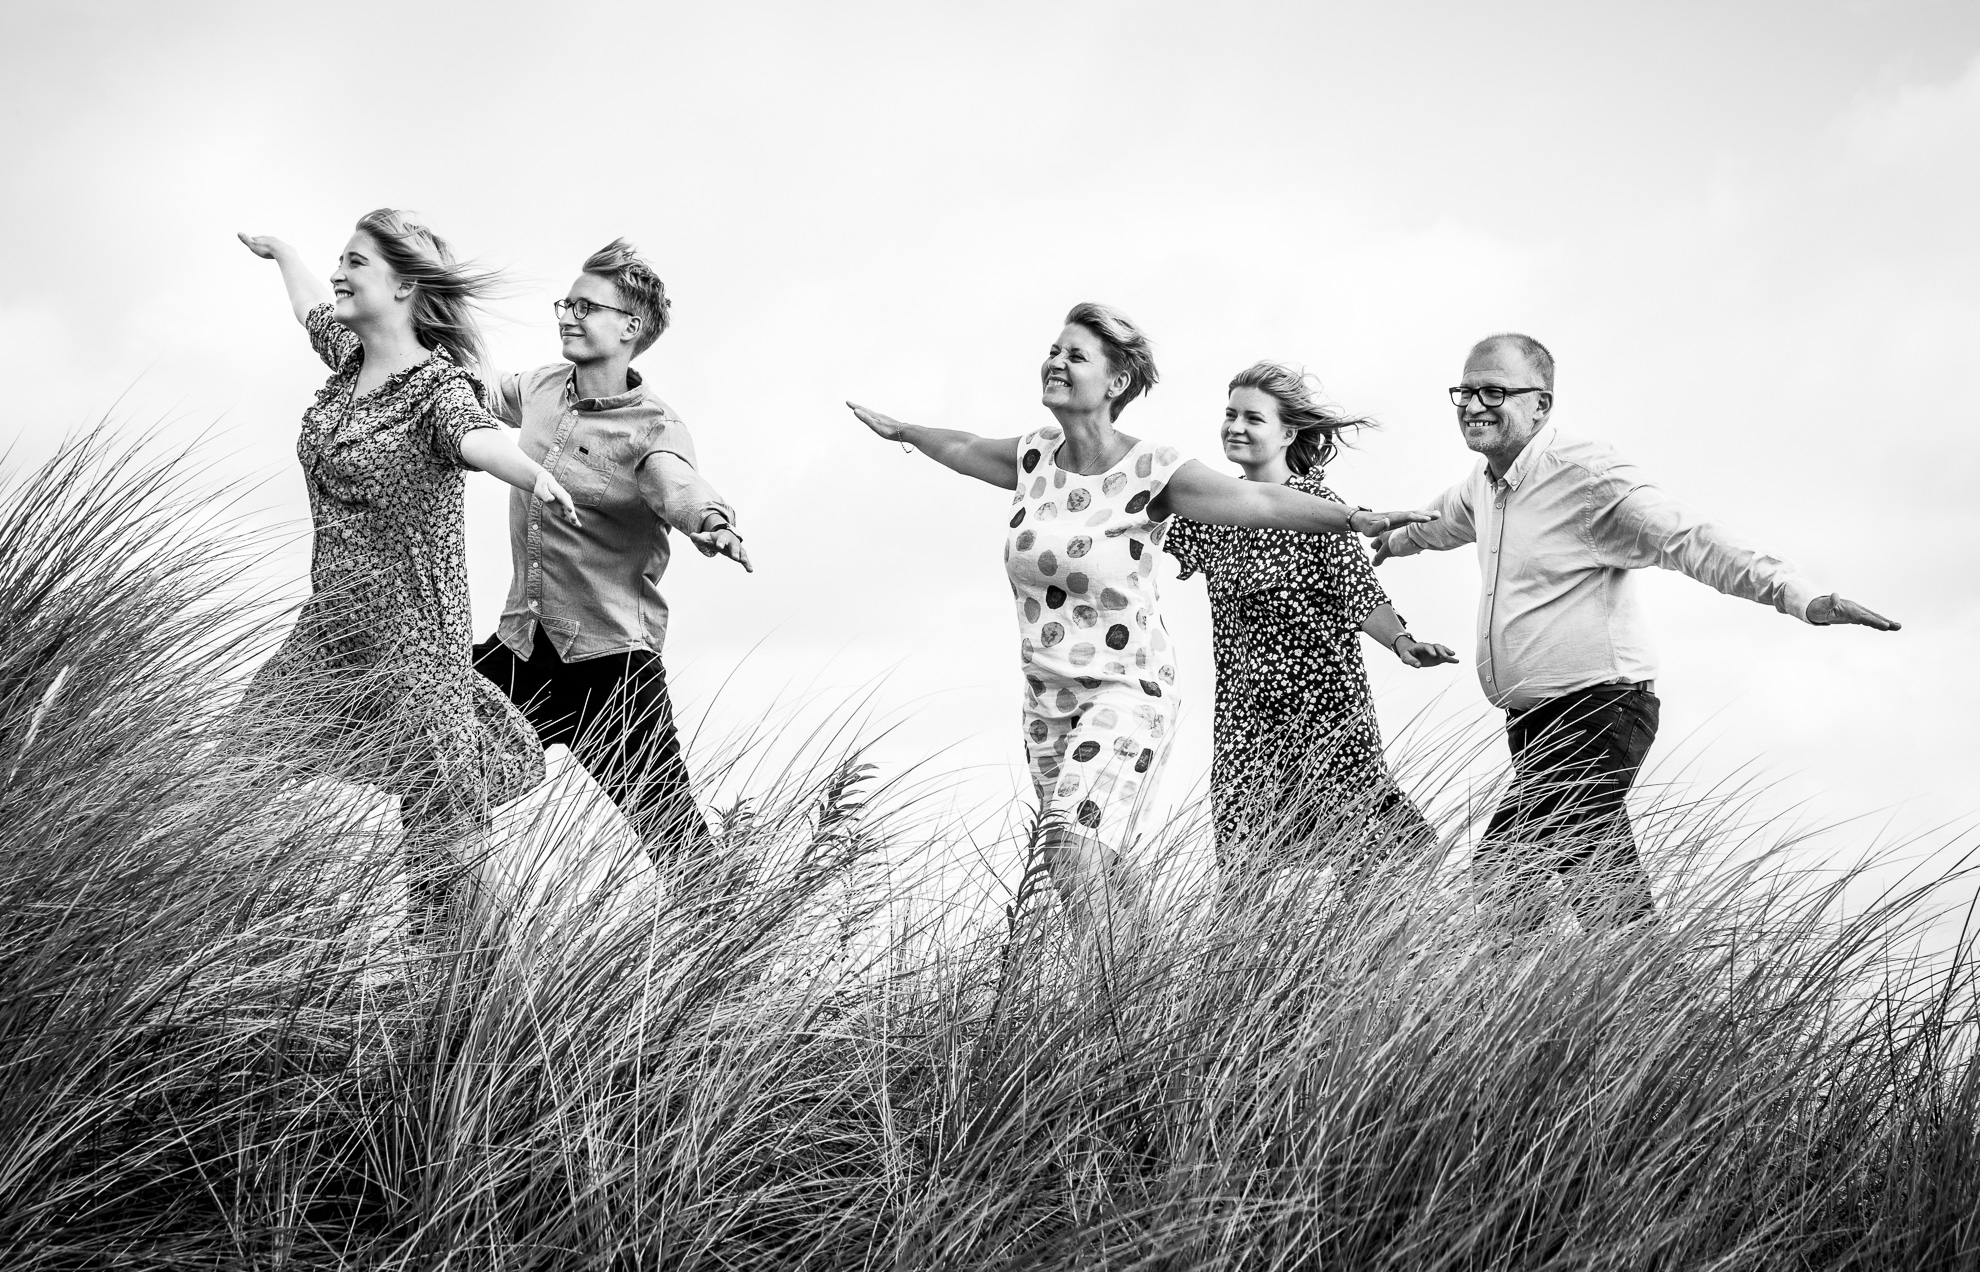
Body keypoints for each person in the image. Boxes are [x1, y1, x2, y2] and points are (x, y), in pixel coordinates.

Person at [847, 303, 1437, 927]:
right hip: (1081, 696)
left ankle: (1109, 1008)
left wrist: (1356, 523)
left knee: (1076, 847)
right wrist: (908, 431)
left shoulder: (1157, 472)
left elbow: (1268, 506)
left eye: (1076, 356)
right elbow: (965, 445)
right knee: (1078, 858)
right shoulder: (1034, 459)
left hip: (1174, 692)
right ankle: (1148, 988)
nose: (1055, 363)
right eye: (1054, 350)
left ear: (1116, 383)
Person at [1373, 333, 1900, 933]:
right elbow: (1437, 520)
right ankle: (1653, 1009)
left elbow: (1691, 538)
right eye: (1464, 391)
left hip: (1598, 711)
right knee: (1609, 901)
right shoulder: (1484, 483)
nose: (1472, 404)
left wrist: (1800, 596)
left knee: (1503, 869)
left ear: (1541, 404)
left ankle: (1518, 1012)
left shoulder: (1587, 477)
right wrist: (1388, 541)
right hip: (1535, 724)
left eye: (1492, 390)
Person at [237, 210, 580, 936]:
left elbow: (480, 441)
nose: (339, 272)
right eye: (339, 259)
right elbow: (309, 309)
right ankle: (231, 942)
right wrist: (284, 253)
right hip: (330, 635)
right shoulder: (348, 359)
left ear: (402, 286)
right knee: (239, 766)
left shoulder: (435, 390)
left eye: (354, 261)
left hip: (411, 651)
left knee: (444, 852)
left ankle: (488, 1010)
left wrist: (535, 474)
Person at [471, 239, 749, 865]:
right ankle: (442, 937)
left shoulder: (655, 426)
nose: (567, 314)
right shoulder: (541, 387)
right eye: (566, 302)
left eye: (586, 306)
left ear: (631, 326)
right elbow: (468, 391)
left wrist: (710, 521)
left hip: (611, 669)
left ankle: (728, 952)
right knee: (436, 769)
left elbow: (674, 480)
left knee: (679, 850)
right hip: (523, 649)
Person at [1165, 362, 1458, 889]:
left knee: (1369, 871)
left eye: (1252, 417)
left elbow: (1358, 592)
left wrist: (1402, 641)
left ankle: (1393, 956)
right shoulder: (1210, 512)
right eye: (1229, 414)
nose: (1234, 426)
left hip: (1326, 714)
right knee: (1247, 878)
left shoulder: (1320, 508)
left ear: (1287, 432)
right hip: (1246, 721)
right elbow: (1135, 526)